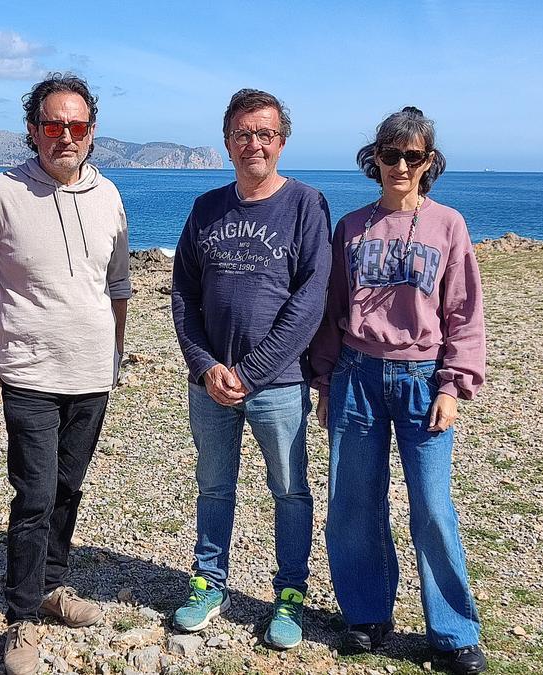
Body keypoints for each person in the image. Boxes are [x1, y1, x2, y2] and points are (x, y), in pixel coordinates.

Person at [0, 73, 131, 675]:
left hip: (92, 373)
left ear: (91, 133)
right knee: (33, 495)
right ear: (33, 130)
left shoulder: (109, 195)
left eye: (77, 126)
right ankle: (22, 616)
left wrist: (115, 349)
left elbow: (117, 283)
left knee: (69, 488)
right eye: (52, 125)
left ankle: (54, 585)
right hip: (28, 370)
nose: (65, 136)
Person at [310, 106, 488, 674]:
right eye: (391, 155)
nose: (402, 166)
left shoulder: (449, 225)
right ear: (375, 160)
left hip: (422, 379)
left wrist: (454, 385)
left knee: (432, 508)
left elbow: (464, 311)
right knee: (353, 503)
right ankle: (366, 616)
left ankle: (454, 632)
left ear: (429, 162)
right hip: (356, 376)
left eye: (414, 157)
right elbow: (333, 310)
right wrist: (324, 381)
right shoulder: (352, 227)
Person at [170, 88, 331, 649]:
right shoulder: (206, 208)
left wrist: (253, 371)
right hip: (211, 384)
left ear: (281, 142)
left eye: (264, 133)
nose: (253, 143)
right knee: (213, 488)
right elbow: (184, 294)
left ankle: (289, 593)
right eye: (242, 133)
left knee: (289, 490)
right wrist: (207, 365)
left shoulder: (307, 204)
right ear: (227, 143)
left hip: (279, 384)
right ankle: (208, 583)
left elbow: (310, 299)